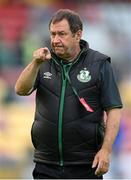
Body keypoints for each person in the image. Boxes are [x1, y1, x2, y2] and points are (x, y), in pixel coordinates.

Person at [15, 9, 123, 179]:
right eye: (52, 34)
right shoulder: (43, 62)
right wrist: (35, 63)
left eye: (62, 34)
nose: (55, 40)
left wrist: (106, 150)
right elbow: (20, 90)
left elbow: (114, 110)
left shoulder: (100, 64)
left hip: (86, 165)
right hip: (46, 164)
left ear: (77, 35)